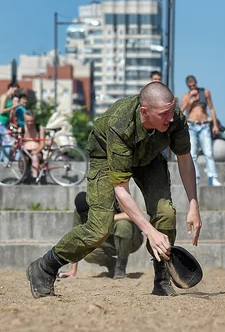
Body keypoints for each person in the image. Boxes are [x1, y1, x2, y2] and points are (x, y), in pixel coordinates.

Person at [26, 82, 202, 299]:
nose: (171, 118)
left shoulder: (174, 118)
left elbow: (184, 160)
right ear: (145, 111)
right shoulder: (119, 124)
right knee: (99, 227)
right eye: (164, 113)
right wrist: (149, 232)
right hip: (106, 158)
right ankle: (44, 268)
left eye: (172, 110)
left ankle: (162, 279)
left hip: (148, 157)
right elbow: (121, 189)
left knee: (165, 213)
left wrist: (193, 204)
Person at [58, 191, 144, 279]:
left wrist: (110, 218)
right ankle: (112, 264)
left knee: (123, 225)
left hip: (131, 240)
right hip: (108, 243)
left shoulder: (109, 201)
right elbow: (76, 239)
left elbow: (134, 214)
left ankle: (121, 266)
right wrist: (73, 270)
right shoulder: (80, 211)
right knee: (86, 252)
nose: (88, 215)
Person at [180, 75, 221, 186]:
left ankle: (212, 177)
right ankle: (196, 178)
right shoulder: (186, 96)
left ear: (196, 83)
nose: (192, 87)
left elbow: (211, 109)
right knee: (192, 154)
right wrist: (190, 100)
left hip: (204, 125)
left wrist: (215, 125)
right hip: (191, 125)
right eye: (190, 86)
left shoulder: (205, 92)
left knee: (208, 152)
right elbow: (181, 110)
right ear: (188, 86)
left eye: (194, 85)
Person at [22, 110, 46, 181]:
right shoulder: (22, 129)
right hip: (25, 152)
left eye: (31, 121)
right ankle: (24, 176)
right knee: (22, 160)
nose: (30, 123)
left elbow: (42, 143)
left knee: (35, 158)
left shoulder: (40, 128)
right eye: (27, 121)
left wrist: (36, 151)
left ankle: (34, 178)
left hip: (37, 152)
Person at [0, 82, 20, 158]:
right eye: (15, 90)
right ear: (10, 88)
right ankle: (5, 161)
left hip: (4, 123)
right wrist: (13, 106)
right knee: (7, 142)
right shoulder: (4, 96)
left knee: (2, 143)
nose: (15, 92)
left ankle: (2, 161)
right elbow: (1, 111)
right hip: (0, 122)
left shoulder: (9, 99)